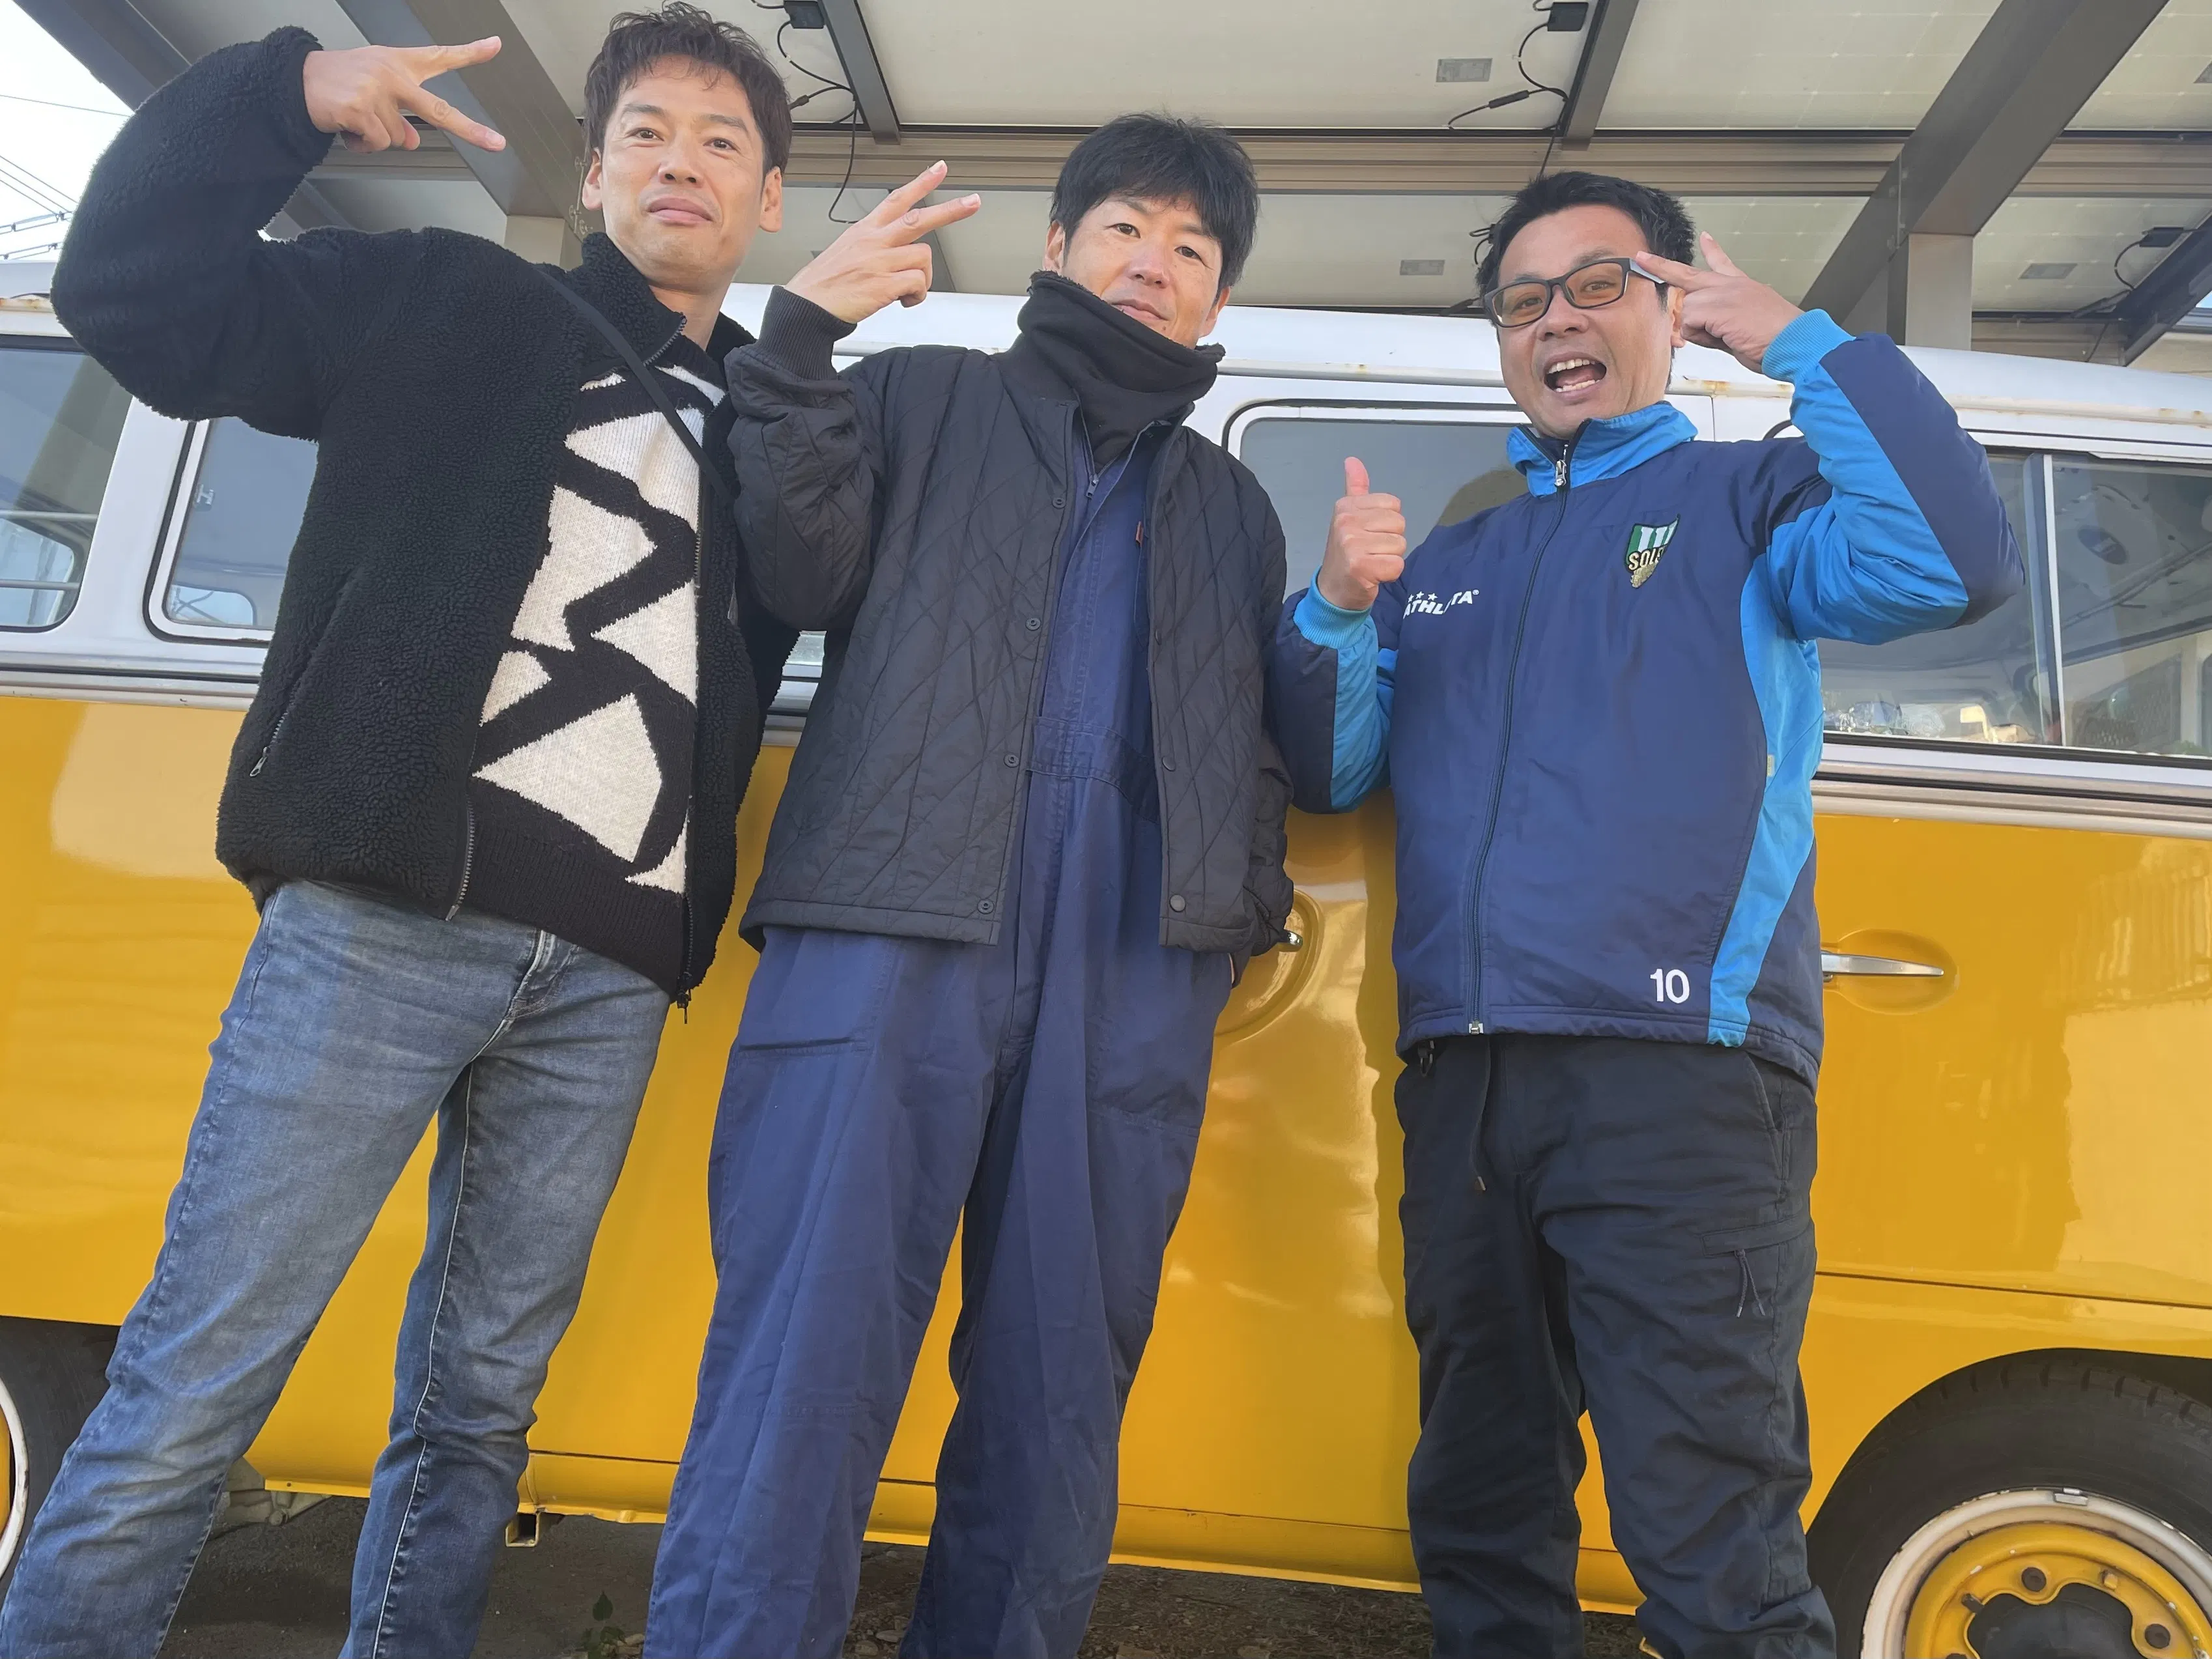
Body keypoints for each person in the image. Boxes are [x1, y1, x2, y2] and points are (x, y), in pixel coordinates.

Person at [0, 9, 795, 1656]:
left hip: (606, 976)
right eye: (647, 133)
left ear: (768, 200)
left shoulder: (775, 432)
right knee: (198, 1375)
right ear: (594, 172)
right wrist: (283, 94)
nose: (683, 164)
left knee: (479, 1410)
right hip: (378, 922)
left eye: (722, 142)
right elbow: (135, 296)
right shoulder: (445, 298)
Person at [1266, 171, 2022, 1659]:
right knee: (1482, 1510)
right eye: (1524, 300)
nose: (1559, 320)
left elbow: (1949, 560)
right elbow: (1333, 767)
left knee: (1711, 1540)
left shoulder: (1749, 504)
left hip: (1684, 1083)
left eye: (1600, 284)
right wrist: (1340, 607)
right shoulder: (1454, 561)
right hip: (1468, 1087)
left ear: (1674, 309)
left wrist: (1797, 339)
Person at [645, 119, 1296, 1659]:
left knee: (1056, 1396)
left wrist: (1226, 916)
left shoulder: (1232, 509)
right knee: (803, 1363)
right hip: (888, 920)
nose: (1155, 263)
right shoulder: (919, 394)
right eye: (1126, 227)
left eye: (1193, 249)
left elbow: (1254, 744)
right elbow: (798, 569)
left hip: (1125, 969)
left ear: (1216, 299)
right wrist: (799, 342)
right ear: (1059, 246)